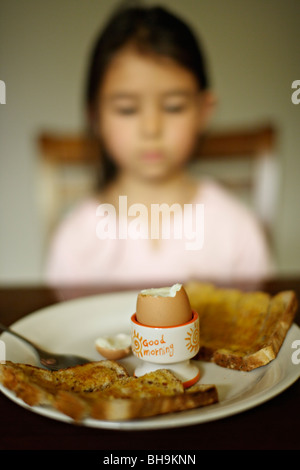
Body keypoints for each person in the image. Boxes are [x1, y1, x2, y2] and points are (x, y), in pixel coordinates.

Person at [45, 3, 273, 288]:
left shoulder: (235, 228)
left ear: (204, 110)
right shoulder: (77, 237)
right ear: (95, 117)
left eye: (174, 107)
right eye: (127, 109)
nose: (151, 128)